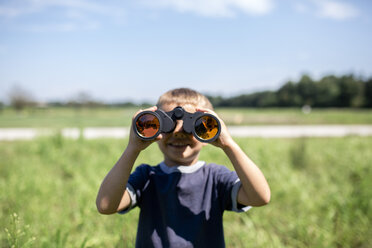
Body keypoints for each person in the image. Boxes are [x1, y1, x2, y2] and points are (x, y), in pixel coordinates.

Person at [96, 88, 270, 247]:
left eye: (193, 125)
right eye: (168, 124)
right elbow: (106, 205)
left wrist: (228, 144)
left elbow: (260, 197)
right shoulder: (147, 177)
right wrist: (133, 148)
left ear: (209, 131)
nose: (178, 131)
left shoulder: (216, 178)